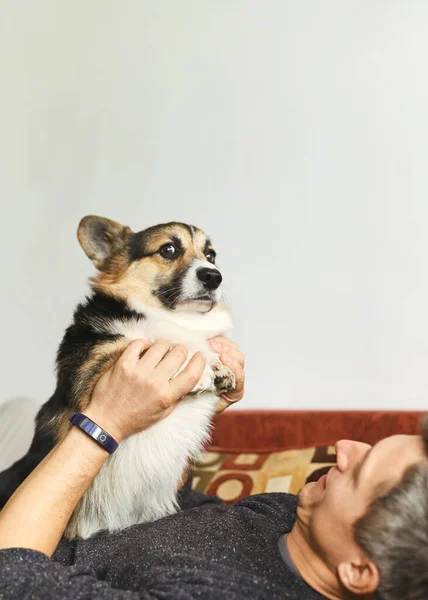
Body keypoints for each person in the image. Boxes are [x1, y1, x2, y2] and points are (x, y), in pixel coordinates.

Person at [0, 339, 427, 600]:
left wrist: (104, 421)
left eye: (360, 472)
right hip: (78, 517)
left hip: (23, 542)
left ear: (358, 571)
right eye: (369, 447)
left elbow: (11, 575)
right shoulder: (290, 516)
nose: (345, 448)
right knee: (20, 409)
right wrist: (194, 412)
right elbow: (170, 505)